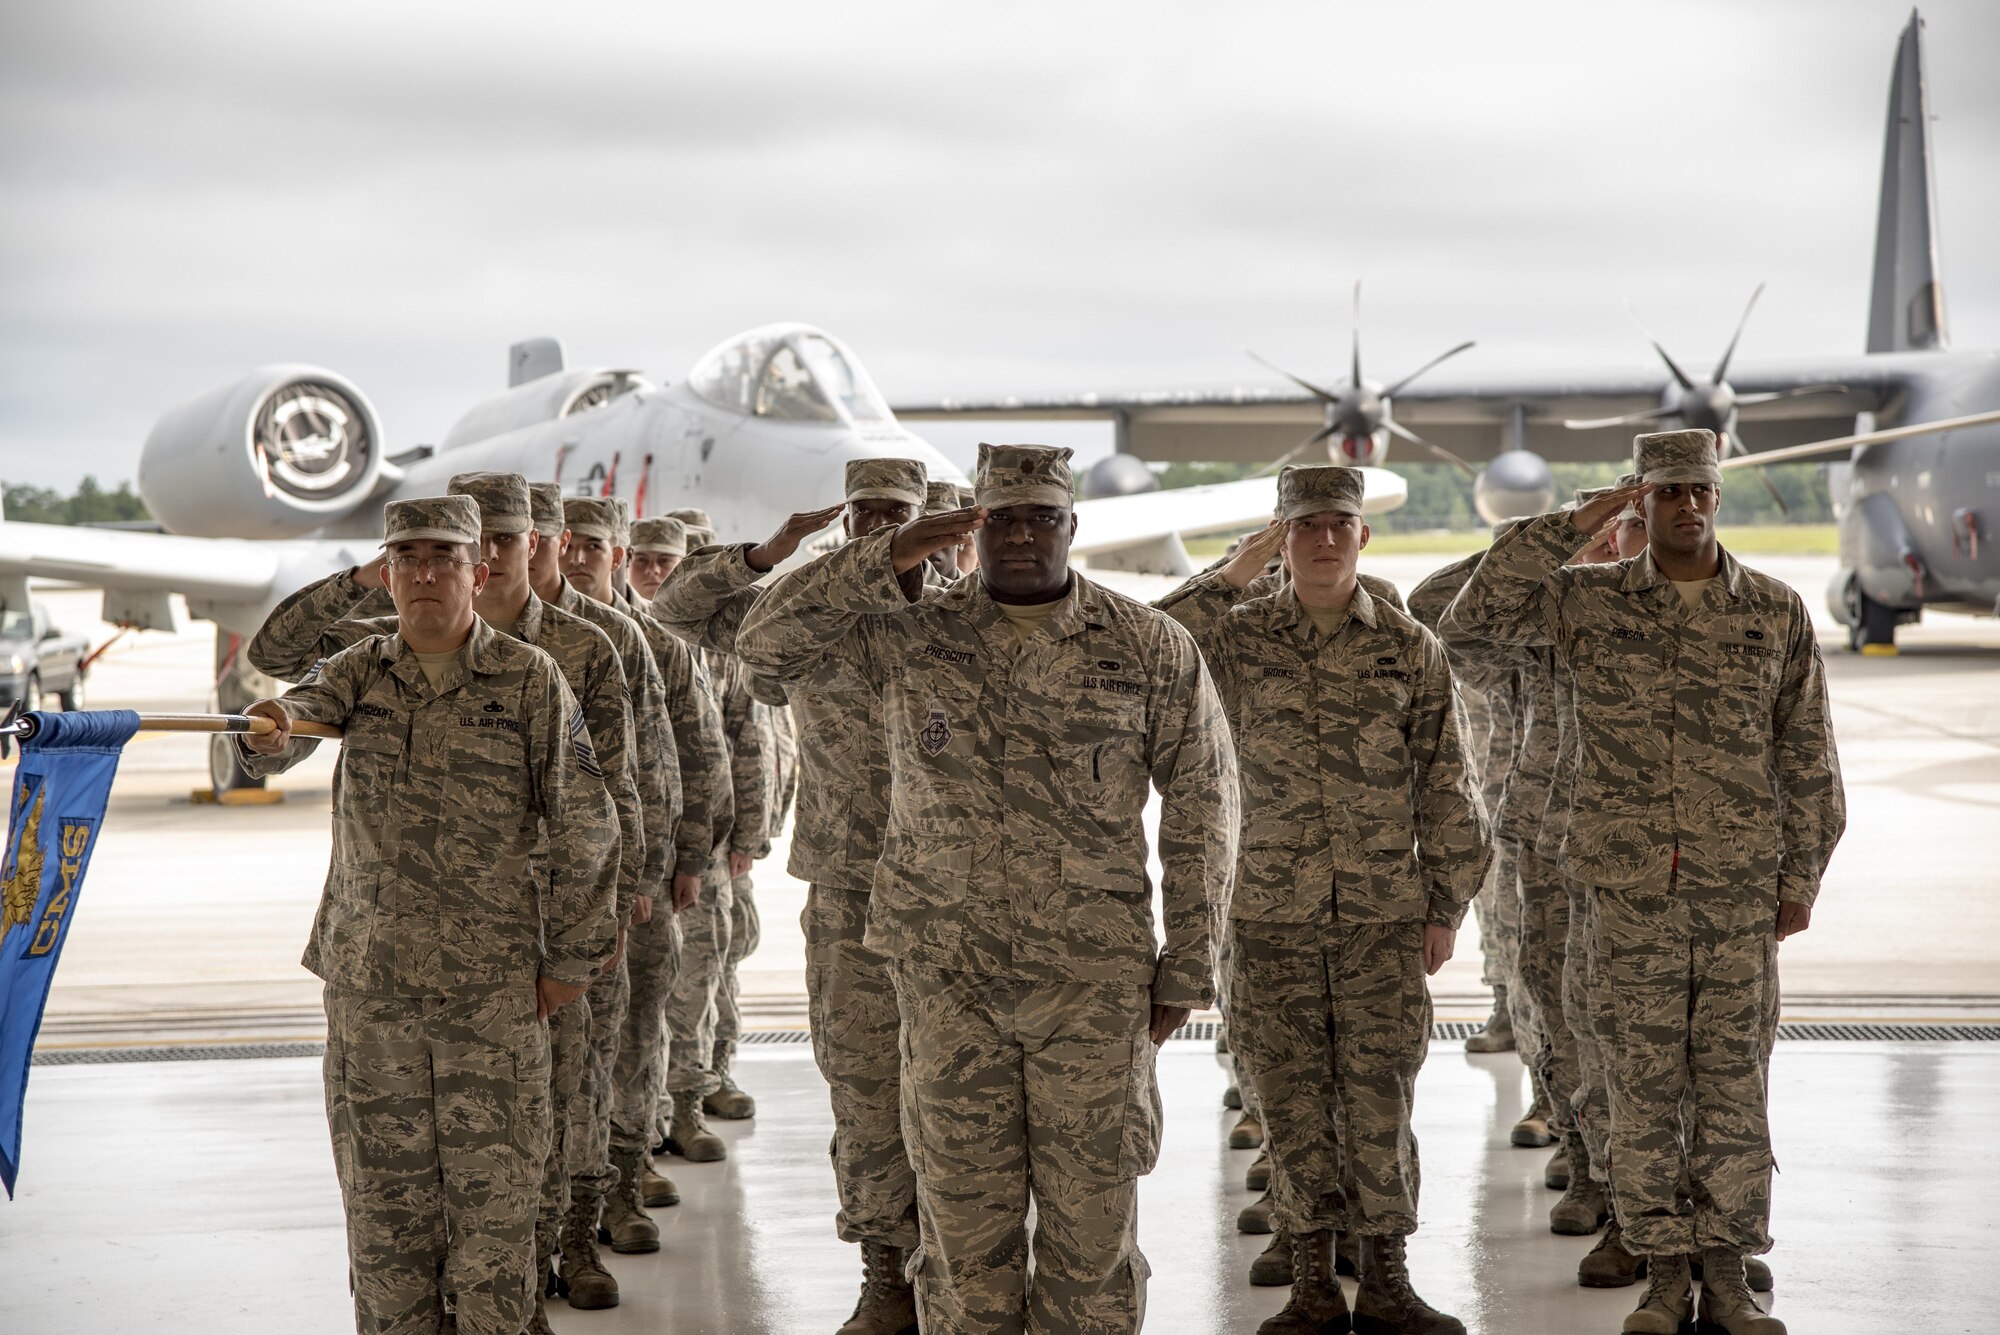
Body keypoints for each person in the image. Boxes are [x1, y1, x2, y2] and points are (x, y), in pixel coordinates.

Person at [736, 443, 1238, 1334]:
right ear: (970, 525)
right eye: (999, 517)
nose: (1020, 535)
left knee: (1092, 1249)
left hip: (1090, 988)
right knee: (965, 1249)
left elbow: (1205, 801)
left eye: (1040, 517)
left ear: (1071, 527)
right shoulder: (906, 634)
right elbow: (764, 646)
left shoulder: (1146, 644)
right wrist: (884, 557)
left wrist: (1189, 963)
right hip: (946, 986)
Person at [1443, 430, 1844, 1335]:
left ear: (1718, 496)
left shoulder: (1772, 611)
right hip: (1625, 892)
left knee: (1734, 1080)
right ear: (1642, 502)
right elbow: (1469, 620)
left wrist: (1800, 876)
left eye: (1699, 489)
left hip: (1735, 890)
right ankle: (1664, 1270)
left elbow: (1810, 754)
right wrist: (1580, 518)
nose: (1687, 506)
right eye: (1665, 493)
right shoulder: (1585, 605)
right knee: (1639, 1079)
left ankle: (1729, 1270)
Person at [244, 472, 653, 1326]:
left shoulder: (532, 679)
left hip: (491, 999)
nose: (426, 573)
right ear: (387, 571)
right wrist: (272, 723)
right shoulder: (360, 670)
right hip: (372, 997)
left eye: (446, 558)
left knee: (496, 1231)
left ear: (480, 568)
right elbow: (293, 719)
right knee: (386, 1233)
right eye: (409, 558)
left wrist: (571, 964)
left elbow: (591, 826)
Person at [1167, 467, 1485, 1335]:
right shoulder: (1235, 640)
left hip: (1383, 915)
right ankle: (1310, 1283)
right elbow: (1150, 641)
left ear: (1362, 535)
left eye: (1338, 522)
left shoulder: (1407, 645)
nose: (1323, 538)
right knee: (1289, 1098)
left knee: (1381, 1099)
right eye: (1303, 524)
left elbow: (1447, 779)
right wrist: (1234, 571)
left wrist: (1446, 902)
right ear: (1281, 536)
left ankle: (1385, 1280)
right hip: (1265, 915)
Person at [650, 457, 930, 1335]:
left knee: (976, 1094)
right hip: (850, 886)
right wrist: (769, 552)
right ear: (845, 516)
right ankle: (885, 1273)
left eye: (899, 510)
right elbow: (677, 611)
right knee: (864, 1084)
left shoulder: (971, 606)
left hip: (966, 892)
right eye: (867, 509)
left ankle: (971, 1271)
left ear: (926, 515)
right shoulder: (805, 608)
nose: (882, 524)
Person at [526, 484, 727, 1243]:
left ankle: (622, 1175)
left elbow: (679, 762)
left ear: (614, 555)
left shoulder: (644, 642)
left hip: (630, 877)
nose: (575, 556)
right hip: (540, 889)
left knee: (632, 1033)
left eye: (588, 546)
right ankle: (556, 1214)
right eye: (562, 541)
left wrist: (679, 861)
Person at [623, 514, 779, 1125]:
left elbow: (746, 744)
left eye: (668, 561)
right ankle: (652, 1111)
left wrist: (746, 834)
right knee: (649, 986)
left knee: (704, 968)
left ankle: (693, 1092)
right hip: (643, 839)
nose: (655, 572)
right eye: (644, 560)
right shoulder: (618, 635)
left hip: (707, 837)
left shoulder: (719, 643)